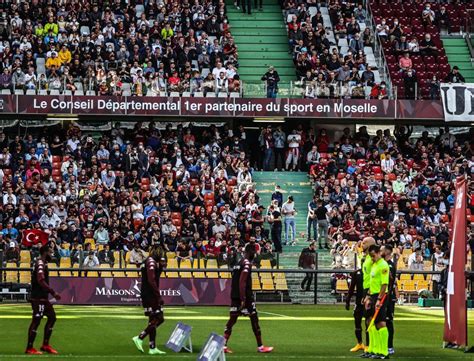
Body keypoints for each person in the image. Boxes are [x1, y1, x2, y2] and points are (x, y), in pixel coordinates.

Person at [223, 243, 273, 354]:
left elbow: (235, 280)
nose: (255, 255)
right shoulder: (246, 264)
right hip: (244, 297)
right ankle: (260, 347)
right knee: (254, 319)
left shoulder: (238, 263)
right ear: (251, 252)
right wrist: (244, 299)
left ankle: (223, 345)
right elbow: (242, 282)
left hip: (235, 296)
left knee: (232, 320)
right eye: (254, 253)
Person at [26, 245, 61, 355]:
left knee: (52, 317)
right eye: (50, 252)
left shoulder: (42, 263)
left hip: (43, 298)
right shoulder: (40, 263)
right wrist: (53, 292)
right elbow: (41, 280)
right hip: (38, 297)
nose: (52, 255)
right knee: (36, 320)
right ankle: (29, 348)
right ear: (45, 252)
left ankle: (45, 345)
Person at [132, 244, 167, 355]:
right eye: (161, 252)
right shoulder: (151, 262)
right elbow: (152, 281)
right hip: (150, 294)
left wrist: (161, 267)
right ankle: (140, 337)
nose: (162, 255)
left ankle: (152, 347)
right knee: (160, 318)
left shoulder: (151, 261)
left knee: (153, 319)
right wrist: (158, 296)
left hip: (149, 294)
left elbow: (156, 276)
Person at [362, 244, 390, 359]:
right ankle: (374, 349)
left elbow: (384, 284)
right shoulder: (375, 265)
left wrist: (379, 299)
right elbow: (372, 282)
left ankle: (384, 352)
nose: (372, 258)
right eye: (371, 256)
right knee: (371, 322)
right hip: (373, 295)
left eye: (373, 256)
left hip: (380, 296)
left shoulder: (383, 265)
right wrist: (368, 296)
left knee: (380, 323)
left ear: (378, 253)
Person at [345, 267, 367, 352]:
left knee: (369, 323)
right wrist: (348, 300)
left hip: (369, 301)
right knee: (357, 322)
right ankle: (359, 343)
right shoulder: (356, 273)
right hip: (359, 302)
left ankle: (369, 345)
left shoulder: (372, 272)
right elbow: (351, 287)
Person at [382, 244, 398, 355]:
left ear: (387, 251)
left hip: (388, 297)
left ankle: (390, 346)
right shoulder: (382, 264)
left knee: (388, 321)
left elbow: (390, 282)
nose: (380, 251)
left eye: (382, 249)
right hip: (382, 296)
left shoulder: (390, 266)